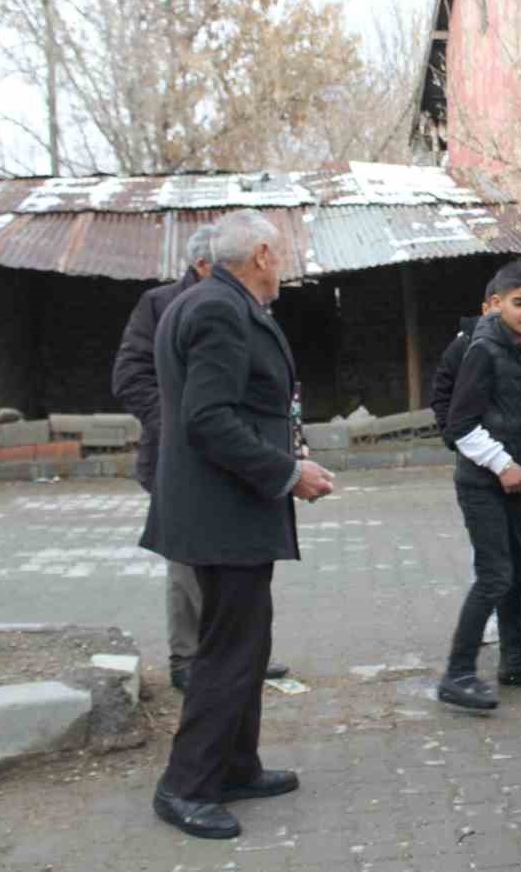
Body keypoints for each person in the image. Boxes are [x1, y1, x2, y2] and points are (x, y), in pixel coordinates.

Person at [139, 209, 335, 840]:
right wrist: (285, 473)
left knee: (246, 642)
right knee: (227, 652)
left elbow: (242, 409)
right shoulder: (219, 310)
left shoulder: (213, 302)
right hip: (221, 513)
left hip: (226, 511)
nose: (285, 265)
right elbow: (207, 419)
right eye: (281, 254)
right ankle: (186, 785)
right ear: (259, 255)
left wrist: (288, 455)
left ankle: (235, 766)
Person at [111, 224, 289, 693]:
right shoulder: (172, 304)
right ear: (202, 264)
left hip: (234, 455)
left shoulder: (244, 304)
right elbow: (131, 376)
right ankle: (191, 657)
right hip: (185, 458)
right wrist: (174, 425)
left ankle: (237, 653)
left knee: (238, 565)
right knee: (190, 563)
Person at [437, 261, 521, 710]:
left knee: (518, 571)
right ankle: (457, 674)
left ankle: (515, 660)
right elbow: (460, 424)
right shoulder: (483, 349)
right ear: (497, 306)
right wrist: (503, 464)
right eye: (520, 303)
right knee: (494, 576)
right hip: (482, 483)